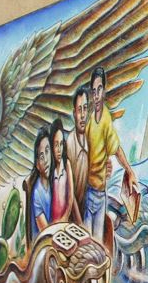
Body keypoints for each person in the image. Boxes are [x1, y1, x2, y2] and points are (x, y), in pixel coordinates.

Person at [84, 66, 135, 242]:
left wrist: (129, 170)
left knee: (97, 244)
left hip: (100, 194)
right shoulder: (90, 120)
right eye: (94, 91)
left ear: (104, 91)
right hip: (88, 192)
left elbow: (116, 148)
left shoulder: (105, 119)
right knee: (87, 243)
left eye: (99, 90)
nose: (97, 96)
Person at [65, 84, 90, 220]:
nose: (82, 115)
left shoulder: (91, 140)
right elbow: (70, 191)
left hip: (87, 210)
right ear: (74, 113)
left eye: (85, 109)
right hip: (71, 213)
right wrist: (79, 222)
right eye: (79, 110)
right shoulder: (70, 143)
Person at [49, 117, 81, 225]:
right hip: (51, 221)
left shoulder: (66, 164)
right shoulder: (50, 169)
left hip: (64, 220)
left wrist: (65, 218)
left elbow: (71, 196)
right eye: (56, 144)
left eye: (61, 144)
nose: (59, 149)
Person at [27, 127, 53, 238]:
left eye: (47, 151)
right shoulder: (37, 193)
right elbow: (46, 232)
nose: (46, 160)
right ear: (37, 164)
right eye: (42, 157)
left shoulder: (54, 183)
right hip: (42, 246)